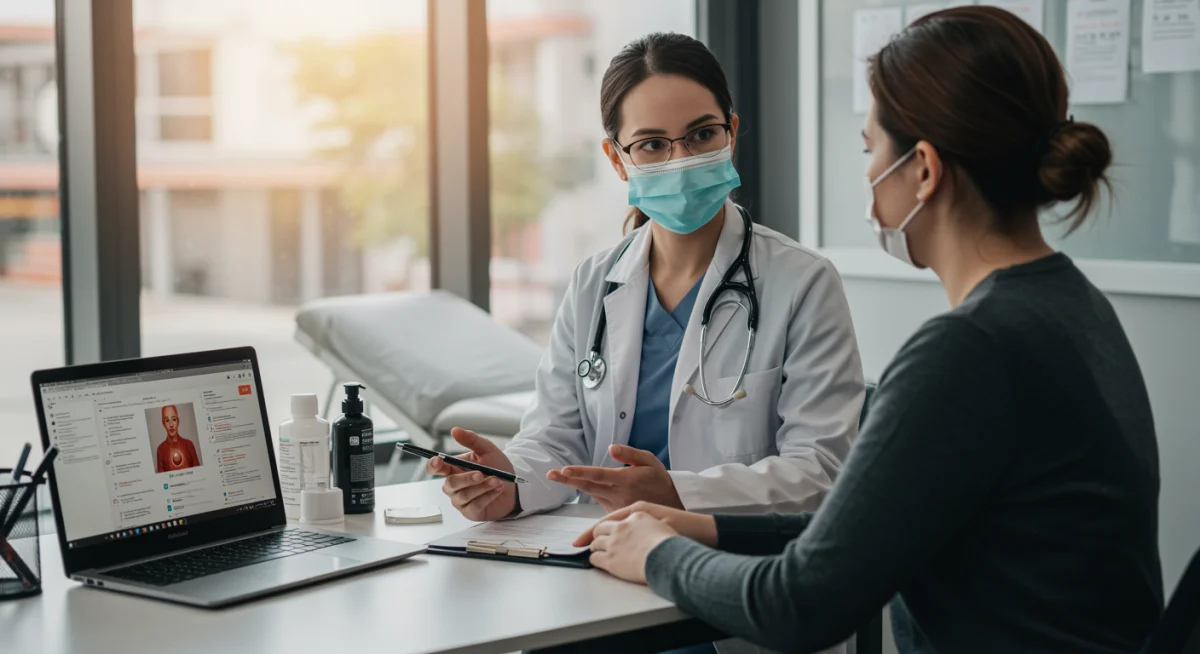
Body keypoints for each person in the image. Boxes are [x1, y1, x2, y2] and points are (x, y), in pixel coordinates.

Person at [575, 8, 1164, 654]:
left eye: (869, 148)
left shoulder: (967, 352)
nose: (865, 172)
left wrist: (658, 554)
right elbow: (862, 534)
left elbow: (799, 606)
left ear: (924, 171)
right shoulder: (1072, 306)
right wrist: (698, 527)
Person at [429, 32, 864, 524]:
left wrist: (679, 493)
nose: (680, 161)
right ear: (618, 159)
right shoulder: (594, 282)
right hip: (602, 554)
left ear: (732, 133)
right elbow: (555, 437)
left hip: (734, 566)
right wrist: (506, 482)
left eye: (702, 134)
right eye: (652, 144)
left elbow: (821, 471)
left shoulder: (802, 283)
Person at [155, 404, 200, 472]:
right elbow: (162, 479)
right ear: (163, 423)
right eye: (167, 420)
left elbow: (198, 472)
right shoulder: (161, 450)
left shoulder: (189, 444)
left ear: (178, 421)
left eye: (174, 419)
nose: (171, 425)